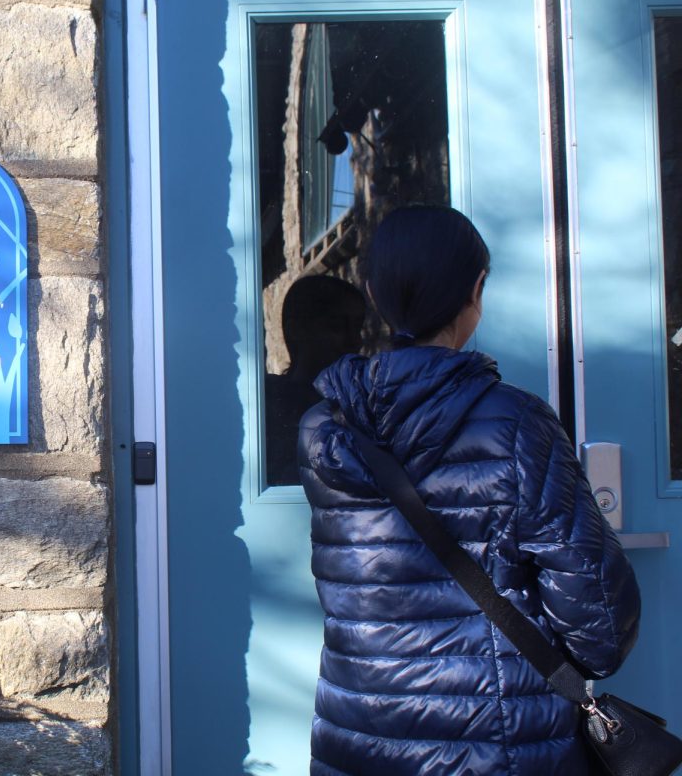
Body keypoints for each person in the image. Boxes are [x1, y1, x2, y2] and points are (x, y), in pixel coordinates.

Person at [297, 205, 641, 775]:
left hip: (357, 736)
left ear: (374, 295)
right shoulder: (516, 424)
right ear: (474, 293)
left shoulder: (322, 430)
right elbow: (599, 623)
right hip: (494, 743)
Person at [265, 275, 366, 485]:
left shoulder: (362, 403)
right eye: (337, 327)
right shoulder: (266, 405)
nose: (354, 341)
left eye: (358, 328)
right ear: (297, 330)